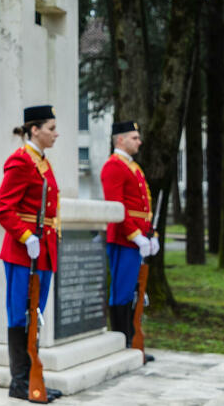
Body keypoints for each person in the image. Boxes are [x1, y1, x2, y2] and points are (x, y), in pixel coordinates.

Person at [0, 105, 62, 402]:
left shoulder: (42, 161)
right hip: (24, 252)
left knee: (35, 314)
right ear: (35, 130)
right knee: (20, 314)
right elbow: (3, 207)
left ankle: (34, 379)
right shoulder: (21, 161)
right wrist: (25, 236)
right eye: (51, 128)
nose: (56, 134)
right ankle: (20, 382)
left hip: (43, 250)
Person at [101, 120, 159, 361]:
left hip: (137, 239)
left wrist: (151, 235)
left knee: (134, 292)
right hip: (123, 239)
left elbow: (143, 207)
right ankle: (122, 342)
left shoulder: (133, 166)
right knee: (122, 292)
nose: (139, 142)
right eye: (134, 137)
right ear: (120, 139)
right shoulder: (113, 166)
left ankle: (131, 340)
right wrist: (136, 236)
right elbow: (117, 208)